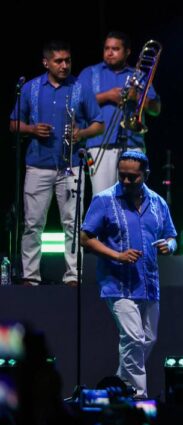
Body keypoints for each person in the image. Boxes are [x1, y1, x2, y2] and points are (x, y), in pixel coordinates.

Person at [80, 151, 177, 398]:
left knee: (148, 339)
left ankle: (120, 386)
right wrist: (117, 255)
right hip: (118, 283)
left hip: (149, 282)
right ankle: (137, 396)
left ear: (146, 175)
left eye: (132, 177)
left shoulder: (158, 203)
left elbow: (171, 236)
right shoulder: (104, 200)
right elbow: (85, 238)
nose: (125, 181)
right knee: (133, 339)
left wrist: (169, 245)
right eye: (122, 175)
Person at [9, 40, 104, 286]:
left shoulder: (80, 88)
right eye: (58, 61)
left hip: (71, 166)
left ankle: (73, 275)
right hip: (38, 165)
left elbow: (99, 124)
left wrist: (81, 133)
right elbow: (13, 124)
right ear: (46, 63)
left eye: (68, 60)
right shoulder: (30, 88)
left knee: (73, 224)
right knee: (33, 224)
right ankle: (30, 276)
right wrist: (31, 129)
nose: (64, 65)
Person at [78, 31, 161, 195]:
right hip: (99, 144)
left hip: (133, 143)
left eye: (115, 49)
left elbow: (155, 110)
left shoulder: (139, 75)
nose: (109, 53)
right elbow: (76, 104)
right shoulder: (90, 73)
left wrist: (137, 97)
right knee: (102, 196)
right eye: (106, 48)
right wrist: (107, 96)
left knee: (133, 197)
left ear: (127, 51)